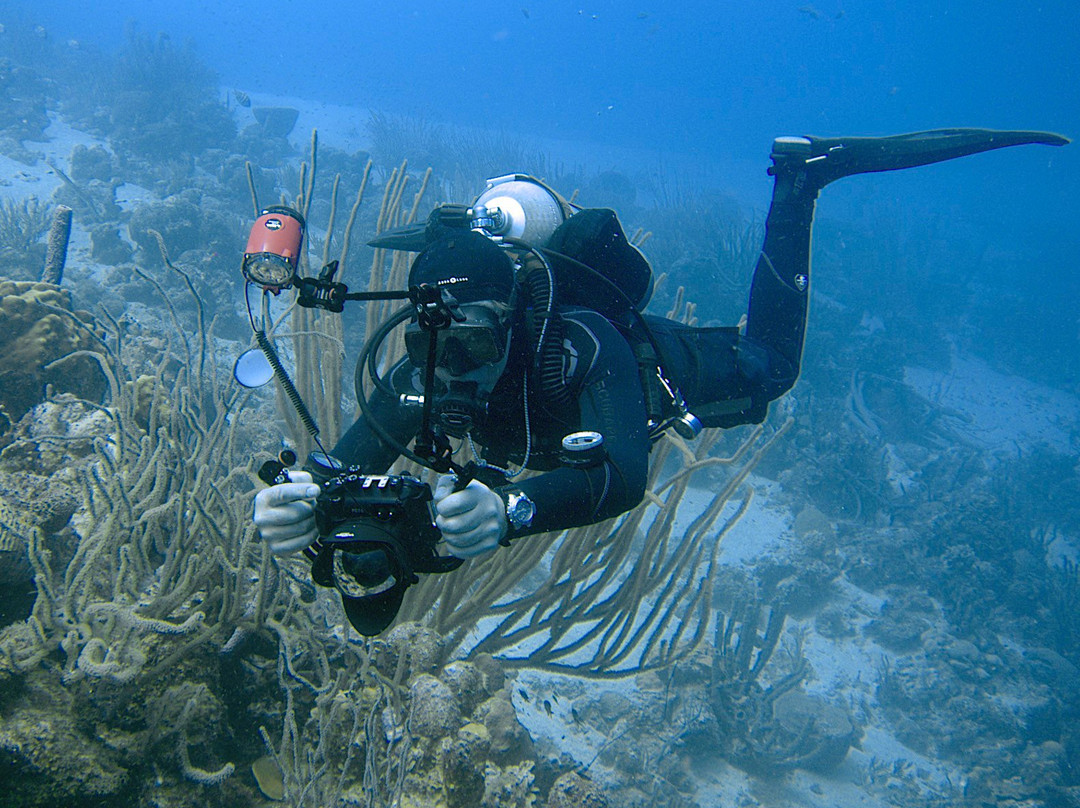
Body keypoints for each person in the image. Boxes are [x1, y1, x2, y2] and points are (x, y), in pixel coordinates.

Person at [254, 128, 1067, 607]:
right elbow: (348, 465)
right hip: (540, 433)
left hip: (653, 372)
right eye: (435, 340)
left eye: (475, 336)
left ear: (515, 319)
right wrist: (300, 501)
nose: (454, 363)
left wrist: (515, 512)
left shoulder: (578, 344)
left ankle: (802, 180)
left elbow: (623, 475)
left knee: (769, 368)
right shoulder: (430, 355)